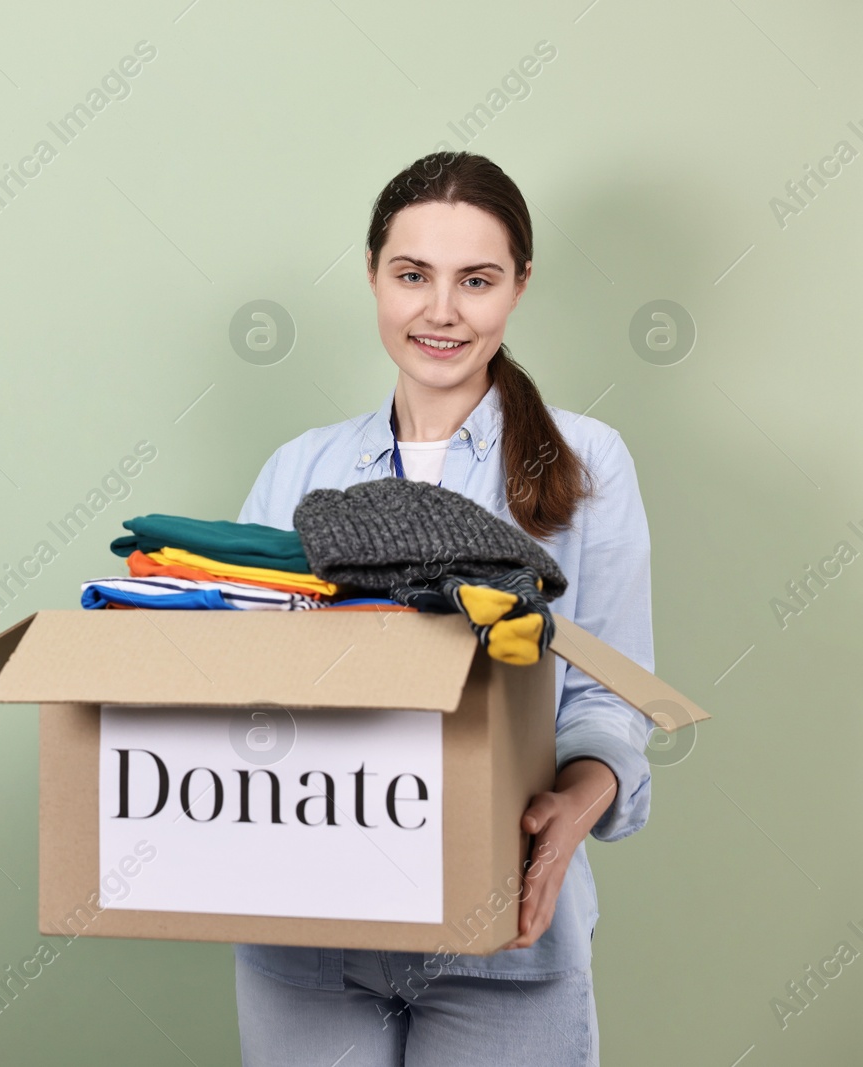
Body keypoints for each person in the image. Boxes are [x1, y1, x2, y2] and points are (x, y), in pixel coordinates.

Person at [231, 151, 654, 1066]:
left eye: (477, 280)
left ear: (520, 285)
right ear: (375, 275)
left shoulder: (587, 464)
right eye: (413, 275)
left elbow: (609, 694)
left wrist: (576, 806)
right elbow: (237, 688)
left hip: (504, 925)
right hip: (307, 928)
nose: (441, 311)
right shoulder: (298, 472)